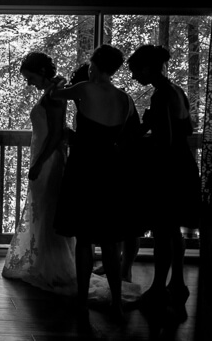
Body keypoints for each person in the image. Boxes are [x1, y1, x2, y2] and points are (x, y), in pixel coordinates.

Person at [50, 44, 141, 323]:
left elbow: (55, 95)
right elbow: (128, 136)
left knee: (84, 239)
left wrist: (57, 82)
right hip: (111, 171)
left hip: (85, 168)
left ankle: (81, 301)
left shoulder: (85, 88)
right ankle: (117, 302)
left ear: (94, 65)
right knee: (111, 241)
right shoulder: (126, 99)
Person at [128, 44, 200, 323]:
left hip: (167, 170)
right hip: (184, 165)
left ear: (147, 68)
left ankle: (159, 287)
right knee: (173, 229)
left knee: (162, 229)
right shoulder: (177, 92)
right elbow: (187, 129)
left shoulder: (161, 96)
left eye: (136, 71)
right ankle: (178, 284)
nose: (134, 77)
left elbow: (164, 142)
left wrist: (142, 133)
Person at [2, 52, 76, 295]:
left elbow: (55, 135)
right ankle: (45, 265)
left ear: (42, 72)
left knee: (48, 211)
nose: (28, 82)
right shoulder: (52, 92)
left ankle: (55, 270)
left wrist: (38, 164)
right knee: (43, 211)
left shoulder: (55, 95)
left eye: (30, 77)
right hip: (44, 157)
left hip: (49, 160)